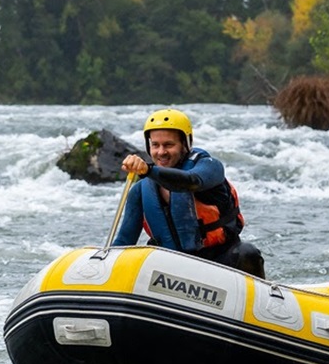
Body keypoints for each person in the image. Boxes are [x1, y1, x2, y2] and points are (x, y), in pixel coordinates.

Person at [112, 108, 266, 278]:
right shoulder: (140, 191)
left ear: (185, 145)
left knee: (247, 253)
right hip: (173, 270)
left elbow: (190, 182)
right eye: (155, 145)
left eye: (169, 145)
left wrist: (148, 170)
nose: (161, 152)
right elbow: (124, 242)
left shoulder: (210, 167)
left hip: (220, 262)